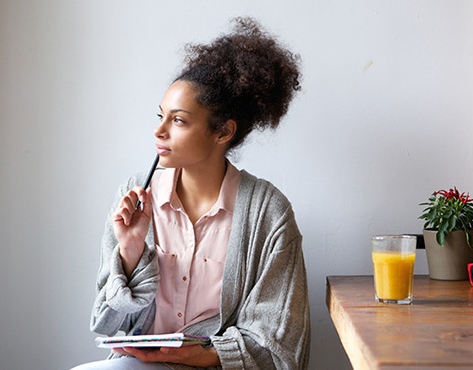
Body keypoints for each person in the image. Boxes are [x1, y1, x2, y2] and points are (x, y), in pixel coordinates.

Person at [71, 17, 310, 370]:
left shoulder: (268, 212)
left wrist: (208, 355)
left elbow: (279, 340)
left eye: (178, 120)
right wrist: (131, 250)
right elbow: (106, 323)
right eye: (160, 116)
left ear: (223, 131)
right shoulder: (136, 197)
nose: (159, 131)